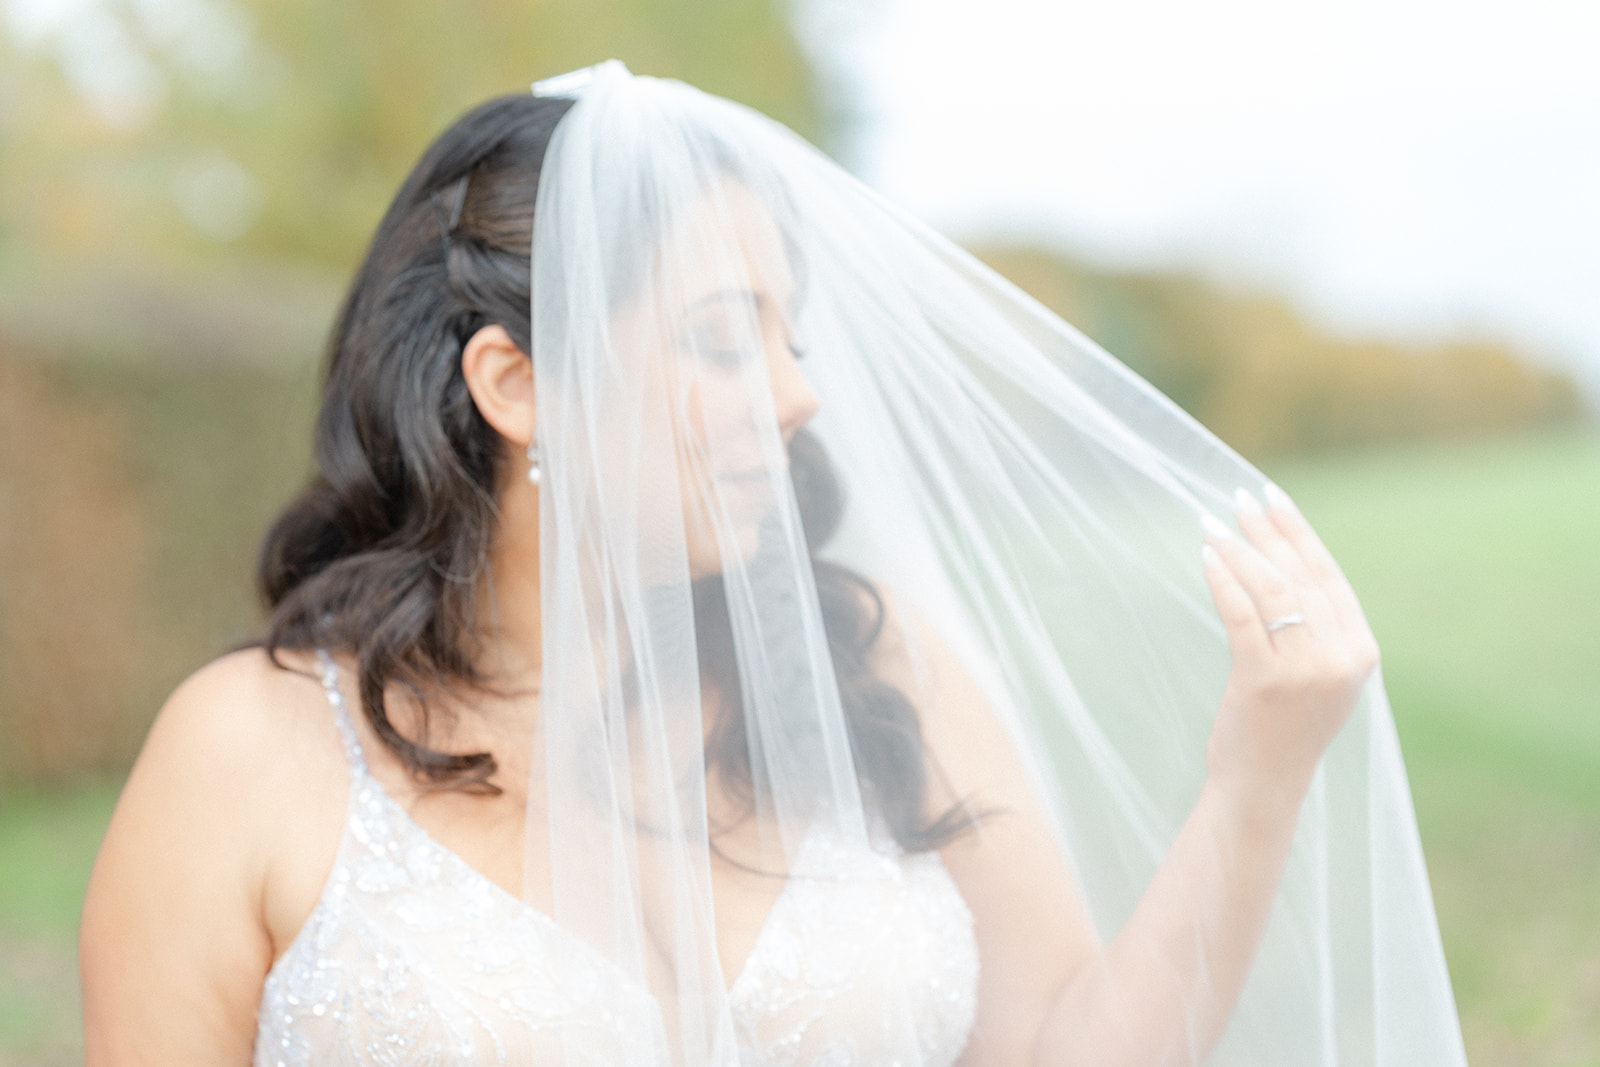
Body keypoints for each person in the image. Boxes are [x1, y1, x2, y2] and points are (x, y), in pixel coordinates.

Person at [79, 62, 1466, 1065]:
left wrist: (1259, 773)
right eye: (727, 339)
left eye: (792, 339)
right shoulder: (247, 753)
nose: (798, 397)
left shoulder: (879, 677)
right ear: (517, 382)